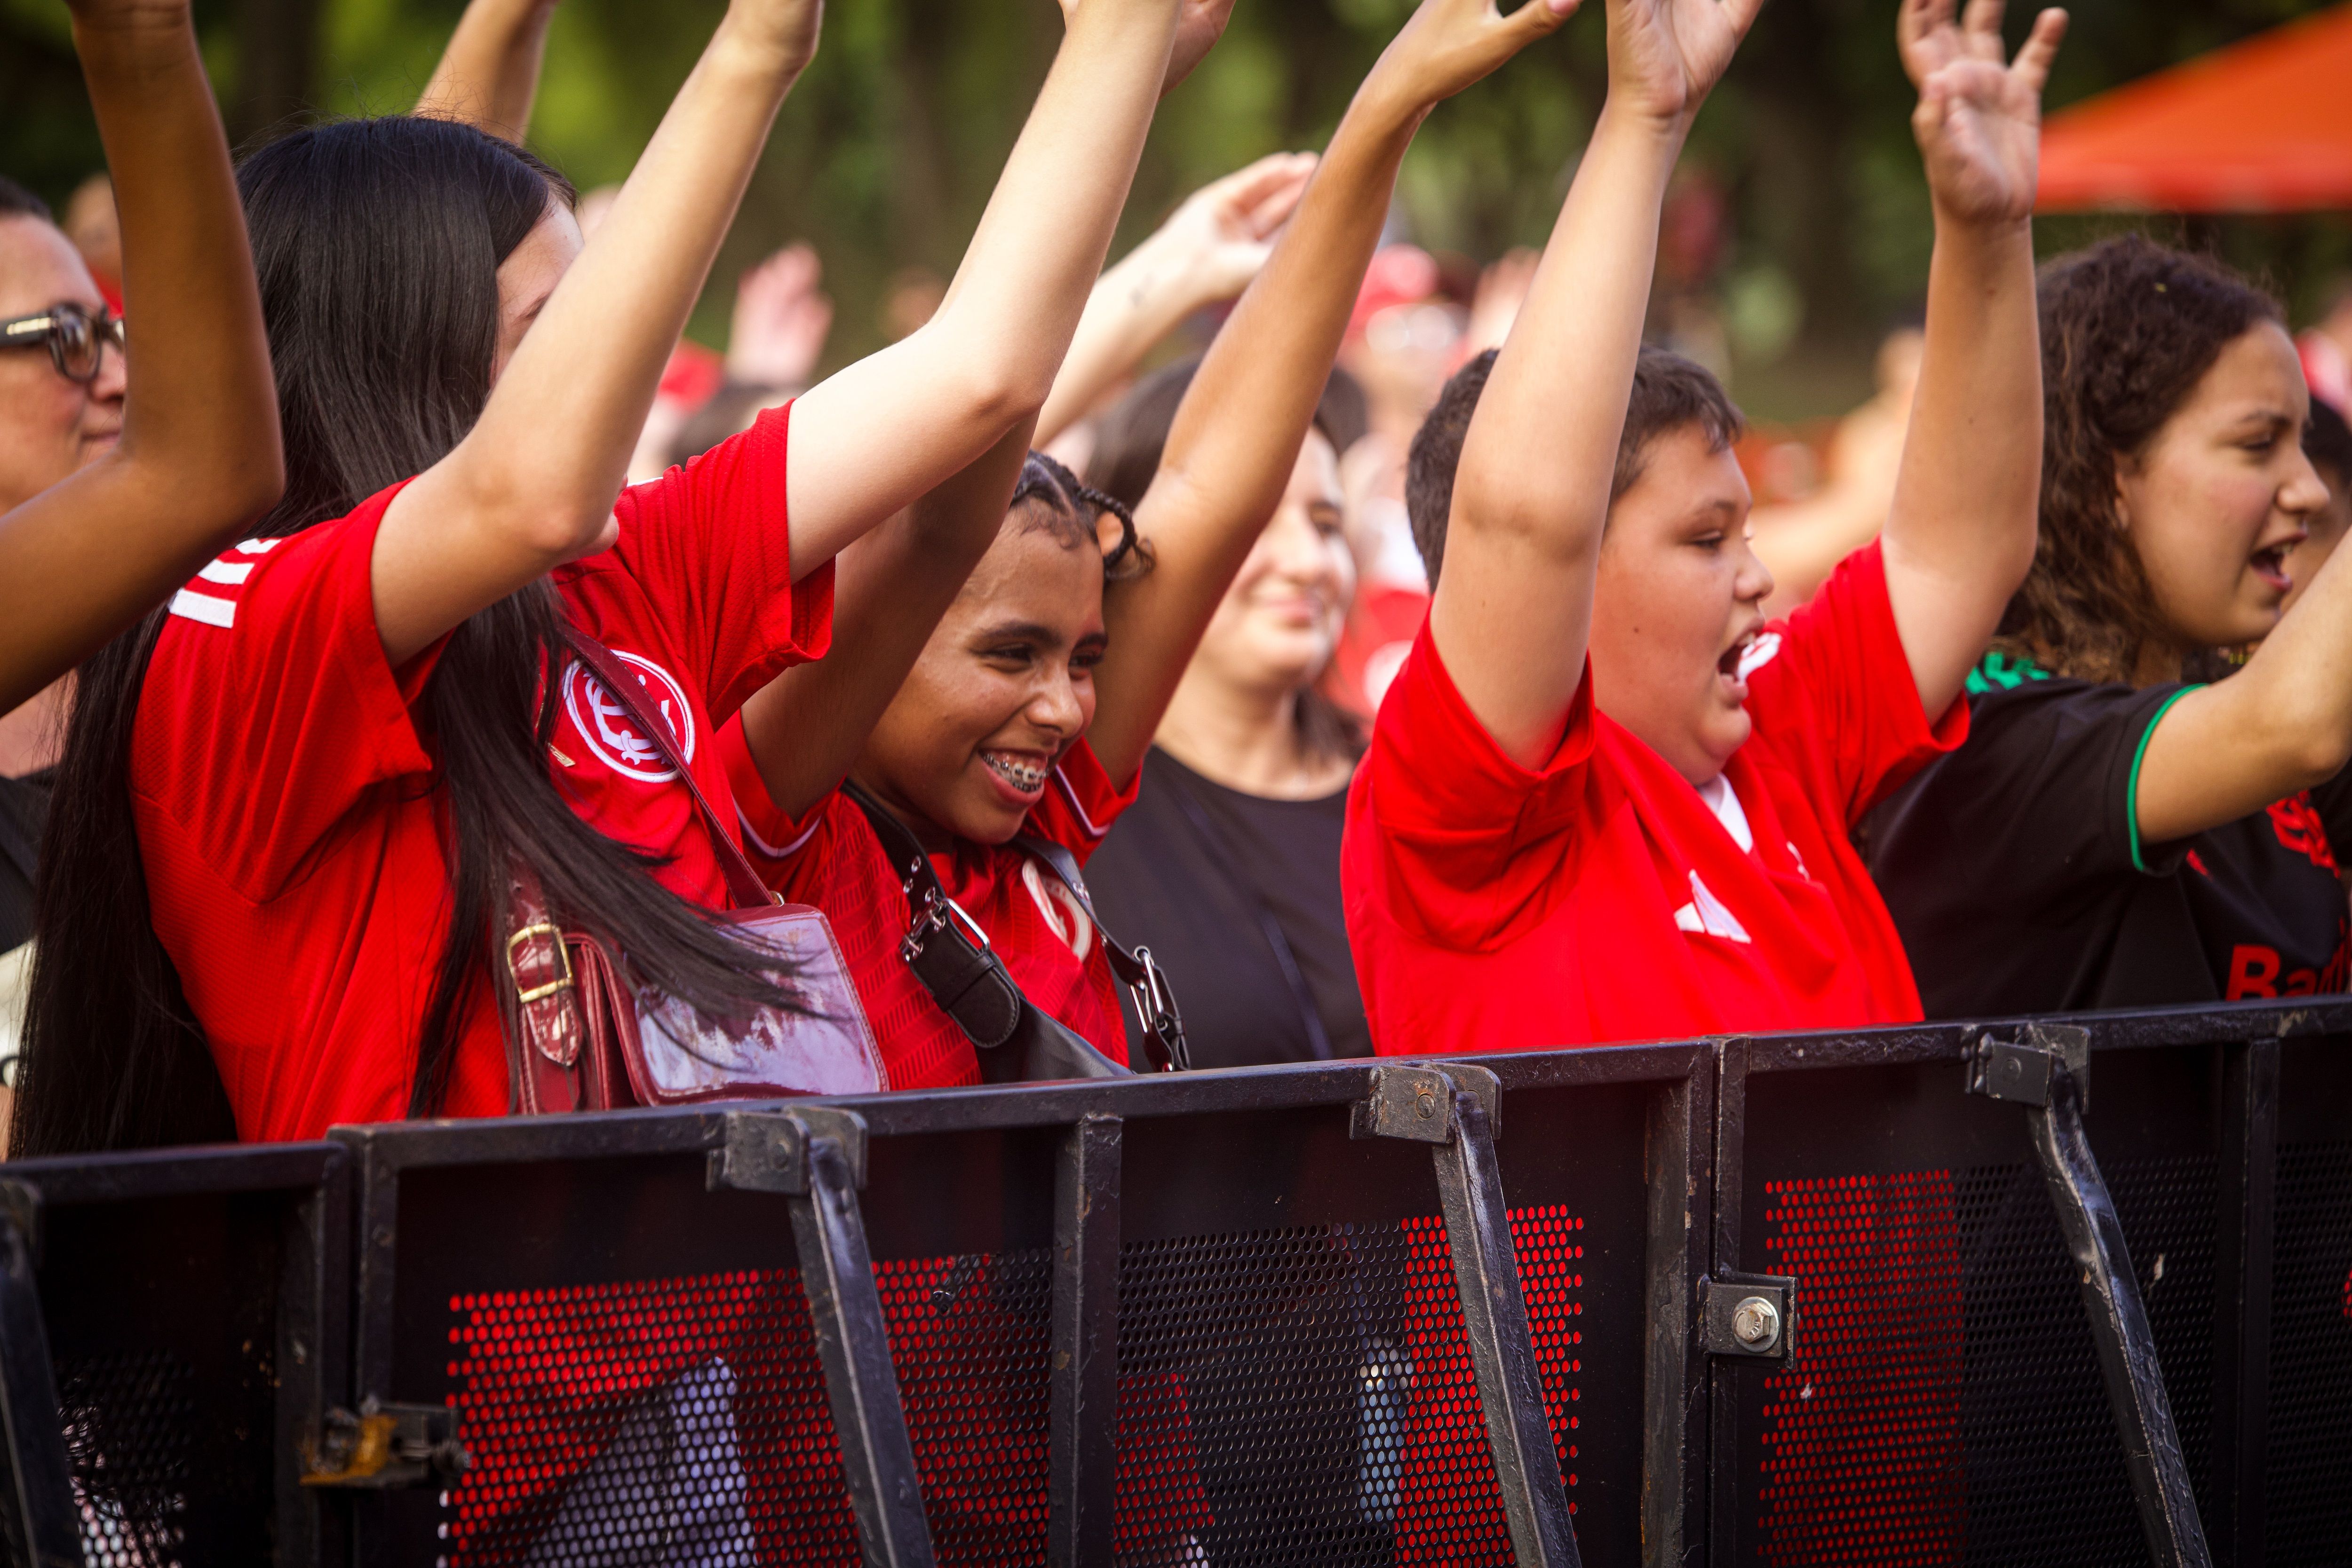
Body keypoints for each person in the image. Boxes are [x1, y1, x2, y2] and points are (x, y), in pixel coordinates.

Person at [15, 0, 1205, 1158]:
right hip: (433, 1359)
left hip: (740, 1350)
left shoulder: (616, 580)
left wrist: (1113, 38)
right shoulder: (240, 629)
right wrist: (751, 49)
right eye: (566, 326)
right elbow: (523, 487)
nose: (622, 366)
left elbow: (977, 374)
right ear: (404, 349)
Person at [720, 0, 1575, 1086]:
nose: (1067, 706)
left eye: (1083, 659)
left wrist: (1385, 112)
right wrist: (1113, 62)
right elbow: (977, 402)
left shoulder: (1047, 810)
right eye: (1009, 654)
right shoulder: (787, 830)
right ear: (876, 636)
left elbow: (1216, 482)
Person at [1343, 0, 2066, 1054]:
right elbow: (1524, 518)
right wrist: (1643, 121)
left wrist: (1987, 230)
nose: (1759, 578)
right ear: (1556, 585)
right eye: (1704, 539)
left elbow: (1962, 549)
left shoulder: (1774, 727)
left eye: (1745, 532)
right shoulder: (1463, 815)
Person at [1862, 236, 2352, 1014]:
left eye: (2304, 446)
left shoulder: (2215, 686)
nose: (2310, 493)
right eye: (2259, 446)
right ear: (2105, 481)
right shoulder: (1993, 740)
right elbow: (2295, 724)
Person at [0, 0, 284, 1121]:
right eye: (66, 341)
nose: (121, 376)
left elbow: (396, 283)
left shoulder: (191, 637)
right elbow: (205, 463)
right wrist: (139, 36)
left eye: (116, 331)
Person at [1081, 356, 1375, 1067]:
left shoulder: (1397, 785)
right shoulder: (1069, 799)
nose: (1309, 561)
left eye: (1327, 521)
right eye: (1256, 520)